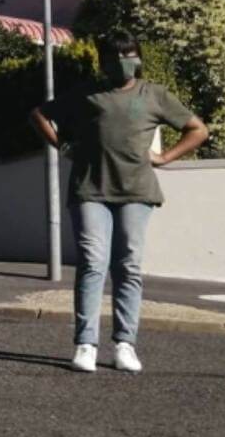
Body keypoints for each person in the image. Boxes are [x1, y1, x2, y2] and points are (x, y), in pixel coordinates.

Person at [31, 33, 208, 374]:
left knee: (128, 265)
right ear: (104, 62)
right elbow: (39, 115)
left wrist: (165, 157)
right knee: (93, 262)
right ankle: (86, 343)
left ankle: (125, 344)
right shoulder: (86, 94)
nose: (124, 60)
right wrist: (64, 147)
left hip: (137, 192)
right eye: (116, 55)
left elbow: (197, 129)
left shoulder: (154, 94)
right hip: (89, 190)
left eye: (129, 54)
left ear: (138, 57)